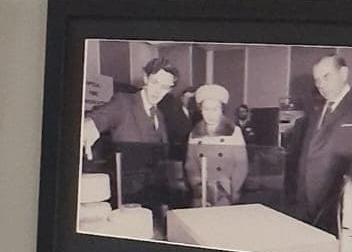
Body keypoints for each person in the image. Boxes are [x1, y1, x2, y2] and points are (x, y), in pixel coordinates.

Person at [82, 57, 187, 212]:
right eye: (154, 82)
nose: (158, 91)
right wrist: (89, 127)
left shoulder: (160, 115)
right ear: (145, 78)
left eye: (165, 87)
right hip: (127, 200)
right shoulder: (123, 102)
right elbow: (98, 118)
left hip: (154, 199)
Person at [287, 51, 352, 234]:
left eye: (326, 76)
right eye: (317, 80)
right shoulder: (315, 111)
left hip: (338, 207)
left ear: (344, 73)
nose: (321, 85)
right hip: (306, 208)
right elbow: (306, 158)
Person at [182, 83, 250, 208]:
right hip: (201, 193)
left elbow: (241, 165)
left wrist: (232, 191)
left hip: (225, 193)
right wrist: (198, 187)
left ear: (221, 109)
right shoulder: (194, 134)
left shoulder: (234, 132)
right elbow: (191, 165)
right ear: (201, 110)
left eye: (215, 109)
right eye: (206, 109)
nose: (211, 114)